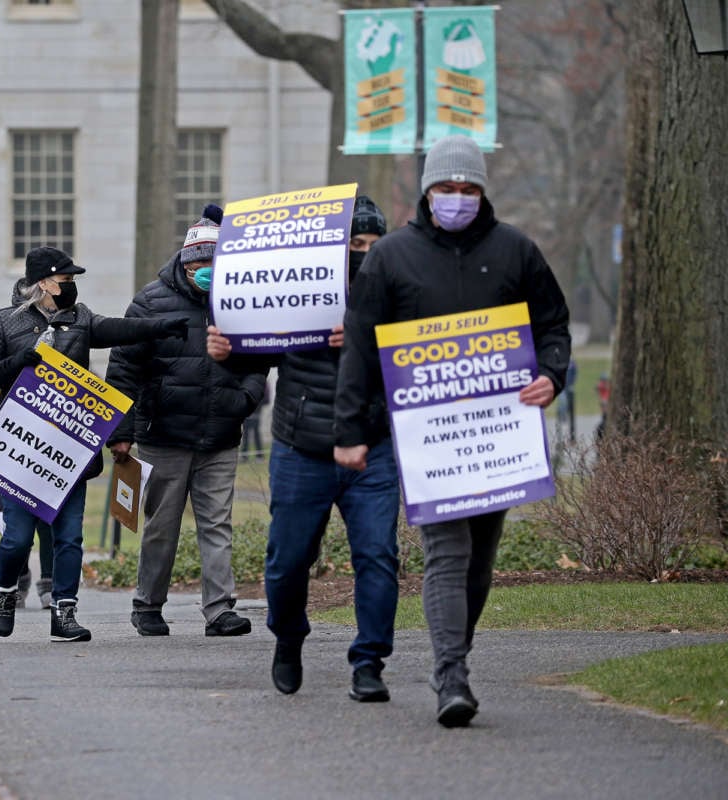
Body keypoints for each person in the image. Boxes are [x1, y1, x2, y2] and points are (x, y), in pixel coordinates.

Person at [334, 136, 570, 727]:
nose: (458, 199)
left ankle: (456, 654)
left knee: (479, 561)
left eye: (468, 189)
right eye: (447, 189)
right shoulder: (391, 257)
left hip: (498, 435)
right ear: (427, 192)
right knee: (446, 552)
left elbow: (552, 324)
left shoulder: (516, 250)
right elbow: (360, 350)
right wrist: (352, 430)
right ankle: (451, 677)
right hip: (428, 437)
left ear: (482, 192)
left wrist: (551, 374)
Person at [207, 194, 401, 700]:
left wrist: (366, 337)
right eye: (355, 242)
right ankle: (288, 639)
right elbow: (255, 349)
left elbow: (420, 358)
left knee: (378, 556)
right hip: (302, 447)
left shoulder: (397, 290)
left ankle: (369, 663)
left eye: (374, 244)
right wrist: (228, 353)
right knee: (287, 561)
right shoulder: (298, 285)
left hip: (372, 446)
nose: (365, 252)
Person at [0, 245, 187, 642]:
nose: (71, 286)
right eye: (65, 279)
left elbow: (119, 330)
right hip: (22, 450)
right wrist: (20, 359)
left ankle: (64, 612)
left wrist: (162, 325)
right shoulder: (4, 323)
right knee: (17, 536)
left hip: (70, 448)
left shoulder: (81, 318)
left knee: (69, 536)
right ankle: (4, 592)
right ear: (43, 283)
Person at [106, 204, 267, 638]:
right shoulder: (149, 303)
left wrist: (246, 397)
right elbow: (123, 370)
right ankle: (148, 605)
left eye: (213, 263)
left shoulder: (240, 301)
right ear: (183, 258)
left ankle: (220, 610)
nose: (205, 270)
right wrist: (120, 433)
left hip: (220, 435)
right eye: (198, 261)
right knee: (162, 525)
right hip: (164, 435)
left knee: (218, 524)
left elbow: (259, 358)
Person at [239, 380, 270, 460]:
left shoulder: (263, 381)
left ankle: (259, 456)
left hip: (256, 412)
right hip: (247, 412)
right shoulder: (245, 379)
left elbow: (266, 398)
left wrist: (257, 405)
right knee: (246, 434)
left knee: (256, 434)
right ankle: (245, 456)